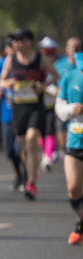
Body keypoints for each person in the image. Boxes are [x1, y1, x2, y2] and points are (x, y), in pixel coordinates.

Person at [0, 28, 60, 200]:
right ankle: (29, 174)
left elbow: (55, 75)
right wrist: (7, 82)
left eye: (18, 40)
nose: (15, 44)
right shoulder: (10, 60)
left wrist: (43, 86)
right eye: (14, 41)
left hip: (35, 106)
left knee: (32, 139)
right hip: (18, 108)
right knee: (24, 146)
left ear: (28, 42)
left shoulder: (41, 59)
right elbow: (0, 82)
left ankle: (31, 183)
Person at [55, 43, 83, 245]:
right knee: (73, 188)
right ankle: (80, 220)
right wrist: (72, 109)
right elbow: (59, 108)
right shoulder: (69, 77)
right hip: (75, 140)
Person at [0, 38, 24, 191]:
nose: (12, 49)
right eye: (10, 47)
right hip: (6, 114)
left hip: (23, 113)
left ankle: (27, 176)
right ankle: (18, 173)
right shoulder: (1, 64)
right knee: (9, 151)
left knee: (20, 148)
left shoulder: (26, 64)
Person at [54, 37, 81, 156]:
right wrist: (72, 108)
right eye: (71, 47)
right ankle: (65, 152)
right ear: (66, 49)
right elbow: (49, 81)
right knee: (62, 139)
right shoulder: (59, 65)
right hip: (67, 104)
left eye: (77, 47)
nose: (74, 49)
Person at [38, 36, 60, 172]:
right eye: (44, 53)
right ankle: (47, 152)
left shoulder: (58, 67)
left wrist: (48, 88)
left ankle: (47, 157)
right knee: (40, 134)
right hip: (39, 105)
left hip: (53, 106)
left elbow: (58, 86)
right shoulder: (37, 67)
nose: (47, 56)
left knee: (49, 132)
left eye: (49, 54)